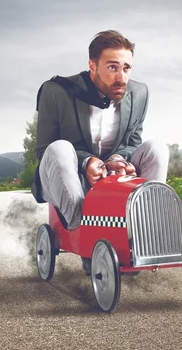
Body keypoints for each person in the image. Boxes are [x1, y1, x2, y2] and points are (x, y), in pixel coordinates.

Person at [32, 29, 169, 239]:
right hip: (68, 177)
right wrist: (86, 162)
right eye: (112, 67)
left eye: (126, 68)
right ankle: (84, 235)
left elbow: (132, 143)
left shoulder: (139, 93)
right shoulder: (56, 91)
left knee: (157, 148)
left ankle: (146, 229)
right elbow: (44, 151)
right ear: (92, 66)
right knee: (59, 148)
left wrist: (117, 159)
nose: (121, 78)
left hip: (112, 177)